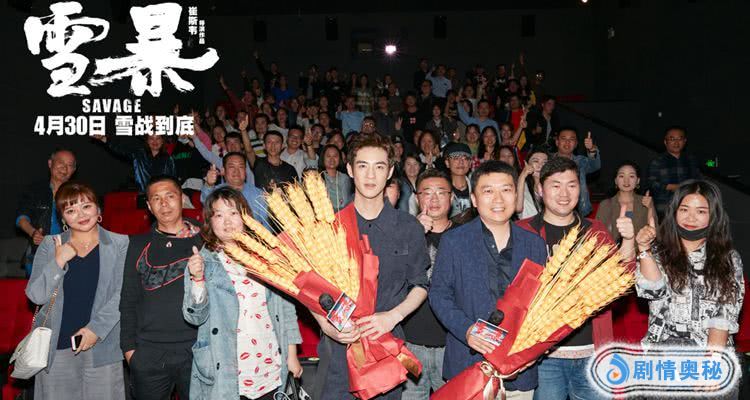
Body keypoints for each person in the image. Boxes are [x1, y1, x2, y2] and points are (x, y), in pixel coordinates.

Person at [311, 133, 430, 400]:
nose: (370, 175)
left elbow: (421, 285)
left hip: (385, 348)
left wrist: (393, 317)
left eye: (379, 166)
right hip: (338, 351)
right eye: (363, 166)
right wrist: (328, 326)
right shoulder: (330, 227)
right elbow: (310, 289)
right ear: (350, 170)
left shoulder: (408, 227)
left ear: (390, 172)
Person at [516, 157, 634, 400]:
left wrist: (629, 240)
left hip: (591, 352)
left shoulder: (595, 230)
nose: (564, 193)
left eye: (571, 185)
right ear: (540, 190)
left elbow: (621, 280)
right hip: (543, 358)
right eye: (555, 185)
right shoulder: (522, 231)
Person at [429, 161, 548, 399]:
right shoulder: (454, 241)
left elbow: (544, 304)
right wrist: (467, 330)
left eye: (506, 190)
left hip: (520, 371)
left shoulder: (534, 244)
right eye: (488, 191)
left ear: (516, 195)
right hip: (468, 366)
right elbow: (439, 295)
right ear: (474, 199)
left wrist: (535, 349)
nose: (498, 199)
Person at [183, 187, 303, 399]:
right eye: (219, 215)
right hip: (227, 368)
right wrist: (198, 279)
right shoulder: (202, 262)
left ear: (245, 217)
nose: (227, 222)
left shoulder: (265, 255)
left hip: (269, 360)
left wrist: (291, 354)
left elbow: (286, 308)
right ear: (210, 222)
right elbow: (195, 318)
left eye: (233, 213)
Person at [26, 182, 128, 400]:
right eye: (71, 210)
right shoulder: (49, 245)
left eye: (86, 206)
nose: (81, 215)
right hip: (57, 345)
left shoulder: (120, 243)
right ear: (63, 217)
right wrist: (58, 261)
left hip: (103, 343)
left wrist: (95, 330)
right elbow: (36, 295)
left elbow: (122, 295)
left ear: (98, 209)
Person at [120, 175, 202, 400]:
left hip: (197, 350)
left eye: (170, 196)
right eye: (156, 198)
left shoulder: (205, 240)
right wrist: (130, 351)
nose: (164, 203)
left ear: (182, 199)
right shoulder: (137, 244)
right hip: (149, 353)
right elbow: (128, 300)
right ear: (149, 206)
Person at [635, 180, 744, 349]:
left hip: (707, 353)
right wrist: (643, 248)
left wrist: (712, 360)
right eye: (684, 209)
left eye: (701, 211)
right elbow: (653, 292)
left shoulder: (728, 258)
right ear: (674, 212)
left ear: (714, 215)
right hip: (660, 354)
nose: (691, 218)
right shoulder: (657, 251)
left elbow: (724, 315)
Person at [401, 169, 459, 399]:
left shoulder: (464, 237)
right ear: (417, 198)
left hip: (451, 346)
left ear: (451, 197)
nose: (434, 199)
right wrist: (413, 233)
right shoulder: (403, 233)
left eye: (441, 192)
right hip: (409, 346)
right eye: (427, 193)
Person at [16, 148, 77, 276]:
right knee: (39, 287)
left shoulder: (78, 194)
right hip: (38, 254)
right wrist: (33, 233)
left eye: (70, 165)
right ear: (50, 163)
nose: (64, 168)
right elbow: (21, 218)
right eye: (61, 162)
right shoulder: (34, 190)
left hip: (70, 255)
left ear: (73, 170)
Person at [201, 152, 270, 229]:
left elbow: (266, 225)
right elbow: (206, 202)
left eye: (241, 167)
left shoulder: (258, 195)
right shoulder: (216, 192)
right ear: (223, 171)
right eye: (231, 167)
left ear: (245, 171)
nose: (236, 171)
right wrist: (209, 185)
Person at [597, 161, 658, 243]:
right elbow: (598, 235)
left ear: (638, 181)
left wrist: (650, 209)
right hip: (614, 250)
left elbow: (655, 234)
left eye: (631, 176)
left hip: (641, 249)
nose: (626, 180)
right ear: (616, 181)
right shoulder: (605, 204)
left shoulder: (645, 202)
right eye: (621, 176)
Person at [647, 126, 701, 218]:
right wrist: (672, 187)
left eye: (680, 139)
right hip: (664, 208)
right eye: (672, 139)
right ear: (665, 142)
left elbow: (698, 180)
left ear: (684, 141)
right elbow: (651, 183)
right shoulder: (657, 161)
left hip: (688, 206)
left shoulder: (691, 160)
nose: (676, 142)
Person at [95, 133, 176, 194]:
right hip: (143, 196)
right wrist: (104, 139)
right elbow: (120, 149)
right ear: (147, 141)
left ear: (162, 141)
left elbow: (173, 180)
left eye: (158, 138)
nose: (155, 141)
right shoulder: (139, 155)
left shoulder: (168, 159)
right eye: (151, 138)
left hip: (163, 195)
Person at [554, 128, 600, 216]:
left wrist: (592, 149)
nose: (567, 142)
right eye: (564, 138)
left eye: (571, 139)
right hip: (553, 208)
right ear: (557, 142)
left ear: (576, 144)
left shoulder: (581, 161)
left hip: (578, 211)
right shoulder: (547, 161)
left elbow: (595, 166)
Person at [442, 142, 473, 218]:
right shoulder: (441, 190)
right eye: (456, 158)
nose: (461, 162)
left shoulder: (477, 187)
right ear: (447, 163)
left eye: (465, 158)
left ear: (470, 163)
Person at [319, 144, 353, 212]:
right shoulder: (318, 178)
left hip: (343, 214)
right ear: (323, 158)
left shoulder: (345, 178)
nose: (332, 159)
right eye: (328, 156)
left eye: (335, 156)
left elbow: (346, 202)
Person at [515, 150, 548, 219]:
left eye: (545, 162)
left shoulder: (554, 185)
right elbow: (518, 208)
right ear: (526, 164)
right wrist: (523, 175)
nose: (540, 165)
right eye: (536, 161)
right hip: (527, 224)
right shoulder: (521, 185)